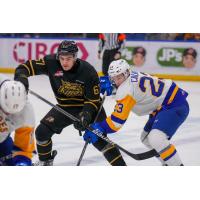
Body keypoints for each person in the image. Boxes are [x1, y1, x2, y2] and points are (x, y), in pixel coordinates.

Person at [14, 40, 126, 166]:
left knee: (99, 140)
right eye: (62, 58)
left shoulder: (88, 71)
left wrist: (86, 115)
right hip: (65, 108)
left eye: (68, 58)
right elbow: (24, 68)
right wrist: (21, 79)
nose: (64, 62)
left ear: (75, 57)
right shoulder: (50, 63)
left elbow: (93, 101)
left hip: (88, 107)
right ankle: (45, 163)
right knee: (41, 133)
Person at [83, 59, 190, 166]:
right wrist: (113, 86)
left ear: (126, 73)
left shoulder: (126, 90)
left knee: (156, 138)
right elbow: (129, 88)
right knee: (146, 138)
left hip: (174, 104)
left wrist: (98, 128)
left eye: (119, 77)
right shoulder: (130, 77)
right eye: (113, 78)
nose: (116, 81)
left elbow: (116, 122)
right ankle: (167, 164)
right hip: (163, 106)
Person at [0, 75, 35, 166]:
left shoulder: (26, 111)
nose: (8, 114)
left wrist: (22, 163)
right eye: (5, 110)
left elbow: (24, 148)